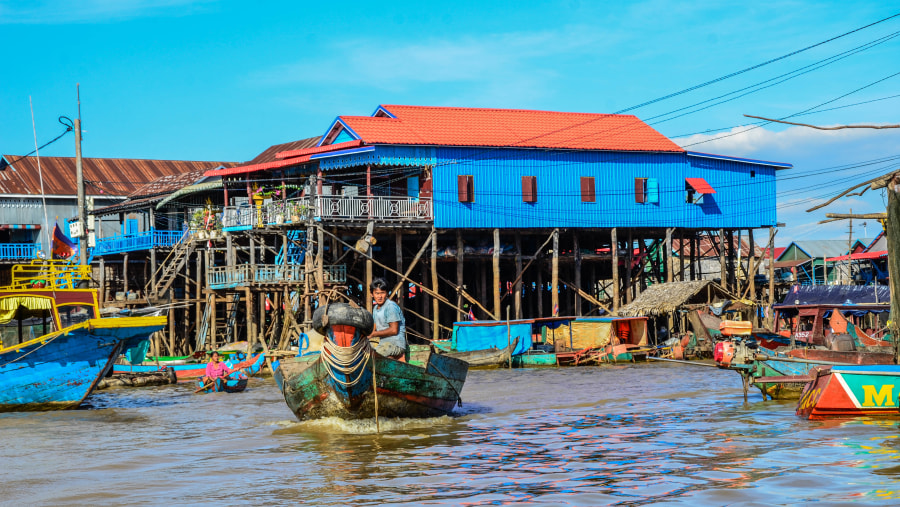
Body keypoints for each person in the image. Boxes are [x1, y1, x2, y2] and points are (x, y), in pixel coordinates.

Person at [368, 278, 407, 358]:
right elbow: (374, 328)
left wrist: (374, 334)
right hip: (384, 344)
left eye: (382, 293)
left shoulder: (390, 306)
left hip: (395, 344)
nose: (379, 296)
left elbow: (394, 330)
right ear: (372, 294)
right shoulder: (375, 308)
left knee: (373, 357)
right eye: (377, 293)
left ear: (387, 293)